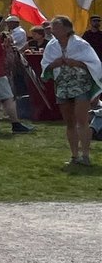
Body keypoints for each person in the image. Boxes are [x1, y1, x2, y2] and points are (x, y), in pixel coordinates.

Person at [43, 15, 101, 167]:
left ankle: (86, 155)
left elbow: (95, 64)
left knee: (82, 120)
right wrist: (54, 64)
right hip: (62, 85)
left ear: (66, 29)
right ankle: (74, 156)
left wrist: (77, 63)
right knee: (69, 122)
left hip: (80, 85)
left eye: (56, 27)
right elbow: (46, 65)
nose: (53, 30)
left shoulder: (81, 44)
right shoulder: (52, 46)